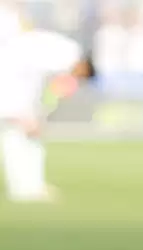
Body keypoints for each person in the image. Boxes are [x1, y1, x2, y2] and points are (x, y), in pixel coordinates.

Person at [0, 4, 92, 203]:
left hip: (17, 98)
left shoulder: (36, 46)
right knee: (22, 139)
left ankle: (28, 188)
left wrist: (37, 111)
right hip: (12, 97)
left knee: (19, 139)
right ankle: (27, 189)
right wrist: (25, 112)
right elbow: (40, 83)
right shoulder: (59, 52)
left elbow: (47, 88)